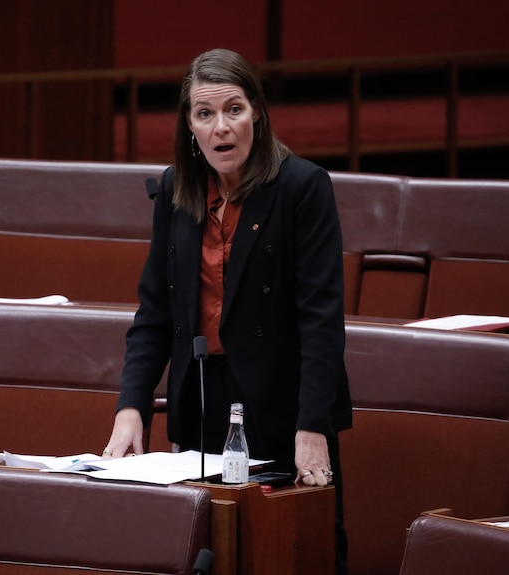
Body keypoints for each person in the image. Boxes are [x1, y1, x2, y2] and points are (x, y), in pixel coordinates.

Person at [103, 48, 352, 574]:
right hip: (202, 403)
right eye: (205, 114)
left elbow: (321, 321)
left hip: (281, 407)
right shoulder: (177, 190)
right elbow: (154, 314)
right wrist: (131, 408)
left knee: (289, 553)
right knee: (209, 554)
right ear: (189, 124)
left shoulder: (302, 188)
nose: (221, 128)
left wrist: (312, 426)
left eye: (234, 110)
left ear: (257, 112)